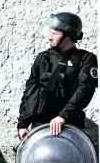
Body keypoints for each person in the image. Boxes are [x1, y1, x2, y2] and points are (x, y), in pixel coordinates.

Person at [18, 12, 97, 140]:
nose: (50, 37)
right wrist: (23, 123)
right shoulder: (42, 58)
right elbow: (30, 91)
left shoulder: (86, 59)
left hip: (69, 125)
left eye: (55, 33)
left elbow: (85, 90)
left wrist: (63, 116)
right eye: (50, 32)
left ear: (69, 35)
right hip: (40, 124)